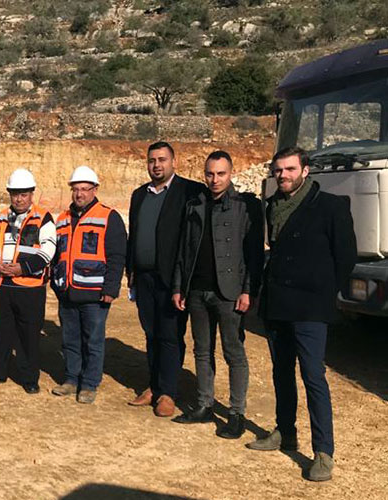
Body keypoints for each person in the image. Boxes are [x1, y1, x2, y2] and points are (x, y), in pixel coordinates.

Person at [246, 147, 356, 482]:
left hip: (310, 308)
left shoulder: (331, 206)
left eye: (290, 169)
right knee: (281, 373)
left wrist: (323, 293)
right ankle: (285, 432)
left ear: (306, 171)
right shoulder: (272, 206)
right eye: (278, 170)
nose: (283, 176)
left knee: (313, 377)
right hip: (278, 303)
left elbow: (346, 257)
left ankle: (323, 452)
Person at [171, 151, 264, 438]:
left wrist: (248, 290)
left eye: (220, 173)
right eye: (210, 173)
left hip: (230, 292)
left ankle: (236, 413)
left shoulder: (245, 206)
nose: (214, 179)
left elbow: (253, 254)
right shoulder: (195, 205)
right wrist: (179, 286)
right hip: (197, 290)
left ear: (231, 173)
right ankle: (204, 405)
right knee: (202, 350)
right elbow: (184, 250)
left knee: (233, 353)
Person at [126, 141, 205, 417]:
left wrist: (184, 282)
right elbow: (133, 235)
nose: (156, 165)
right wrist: (131, 271)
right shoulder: (139, 195)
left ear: (174, 162)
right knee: (151, 334)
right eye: (152, 160)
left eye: (162, 160)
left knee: (170, 335)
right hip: (144, 278)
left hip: (173, 280)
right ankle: (154, 386)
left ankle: (168, 393)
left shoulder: (190, 192)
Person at [50, 166, 127, 404]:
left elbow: (116, 256)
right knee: (69, 339)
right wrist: (56, 283)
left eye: (85, 189)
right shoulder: (62, 219)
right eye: (76, 189)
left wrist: (110, 290)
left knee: (93, 340)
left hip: (95, 295)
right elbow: (56, 255)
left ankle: (90, 383)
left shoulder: (108, 216)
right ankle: (72, 379)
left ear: (95, 190)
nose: (79, 194)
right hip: (67, 292)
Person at [0, 168, 56, 394]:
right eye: (15, 193)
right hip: (2, 287)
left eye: (23, 193)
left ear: (32, 194)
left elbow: (48, 249)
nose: (19, 198)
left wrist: (23, 268)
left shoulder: (44, 218)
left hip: (29, 288)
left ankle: (29, 378)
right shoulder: (0, 217)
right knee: (1, 334)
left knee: (28, 336)